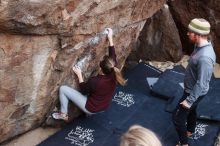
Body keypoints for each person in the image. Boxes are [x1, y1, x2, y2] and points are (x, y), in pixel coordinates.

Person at [51, 28, 127, 122]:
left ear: (101, 68)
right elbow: (113, 54)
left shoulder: (96, 81)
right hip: (104, 105)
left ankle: (63, 114)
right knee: (95, 95)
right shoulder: (114, 71)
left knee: (63, 89)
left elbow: (83, 90)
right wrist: (110, 37)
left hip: (92, 108)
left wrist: (79, 75)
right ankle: (89, 113)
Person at [172, 18, 216, 146]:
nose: (187, 33)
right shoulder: (199, 44)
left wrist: (189, 101)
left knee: (177, 118)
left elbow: (201, 84)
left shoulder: (205, 58)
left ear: (198, 35)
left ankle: (184, 143)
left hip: (193, 92)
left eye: (190, 32)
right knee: (192, 110)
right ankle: (190, 130)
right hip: (191, 89)